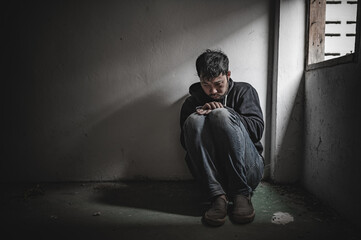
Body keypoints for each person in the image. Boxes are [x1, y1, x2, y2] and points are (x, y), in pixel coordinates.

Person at [180, 49, 264, 227]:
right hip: (214, 178)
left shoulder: (245, 91)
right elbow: (185, 144)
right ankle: (217, 196)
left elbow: (257, 131)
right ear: (199, 79)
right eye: (206, 84)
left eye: (218, 83)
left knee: (221, 115)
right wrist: (202, 117)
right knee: (193, 121)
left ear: (228, 75)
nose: (213, 91)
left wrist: (226, 113)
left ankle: (241, 193)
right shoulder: (191, 102)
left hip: (248, 171)